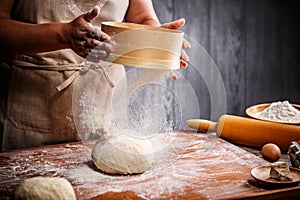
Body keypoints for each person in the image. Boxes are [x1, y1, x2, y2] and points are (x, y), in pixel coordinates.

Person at [0, 0, 190, 151]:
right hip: (29, 109)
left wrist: (158, 41)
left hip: (105, 106)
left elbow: (142, 17)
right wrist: (62, 35)